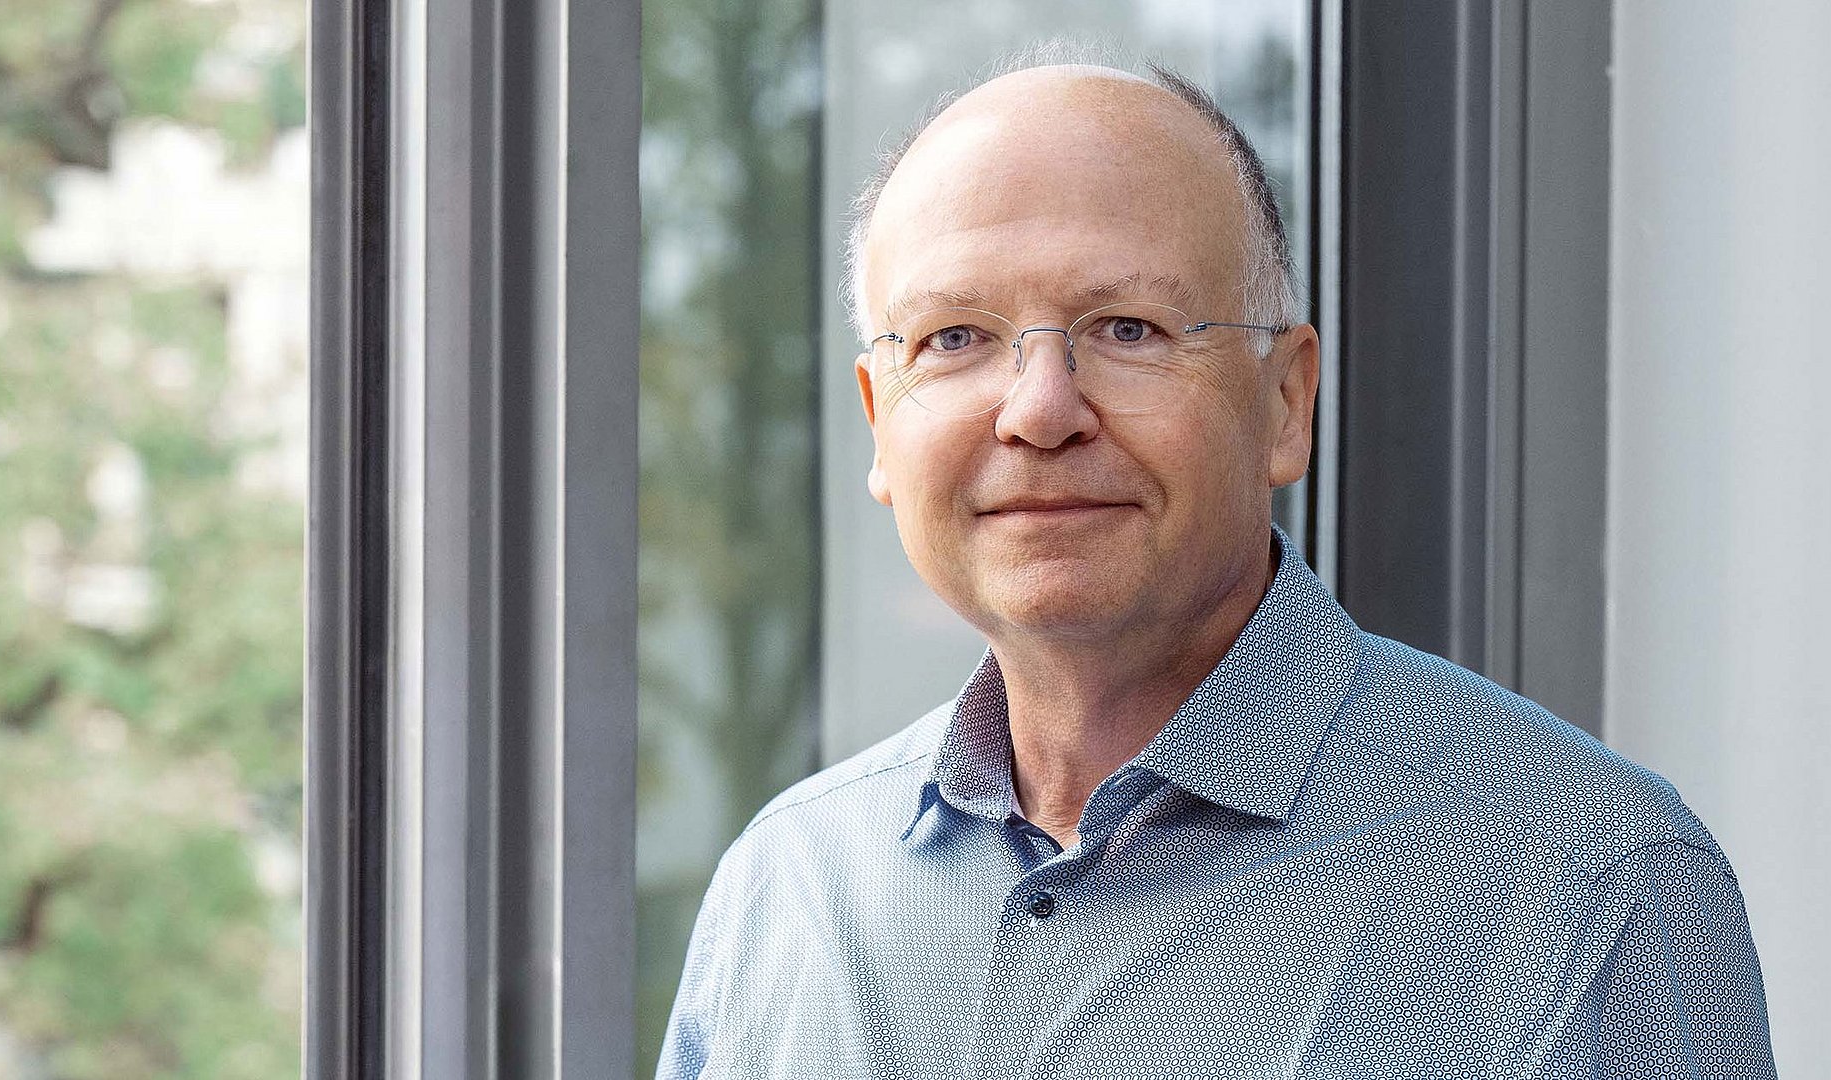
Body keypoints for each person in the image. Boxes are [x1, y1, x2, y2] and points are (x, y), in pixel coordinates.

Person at [656, 55, 1777, 1079]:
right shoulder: (785, 889)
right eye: (954, 339)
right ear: (877, 426)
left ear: (1285, 405)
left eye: (1128, 327)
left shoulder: (1594, 889)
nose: (1039, 412)